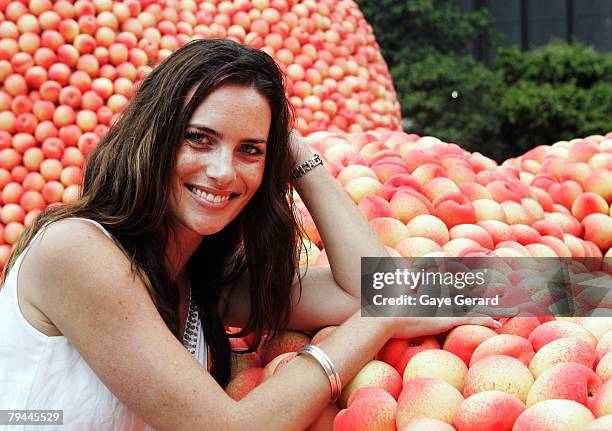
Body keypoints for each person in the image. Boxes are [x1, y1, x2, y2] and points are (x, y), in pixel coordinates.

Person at [0, 38, 501, 431]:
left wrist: (299, 158)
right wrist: (379, 324)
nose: (222, 172)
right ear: (152, 138)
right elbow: (229, 427)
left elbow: (375, 290)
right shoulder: (77, 250)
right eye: (199, 138)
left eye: (250, 151)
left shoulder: (202, 281)